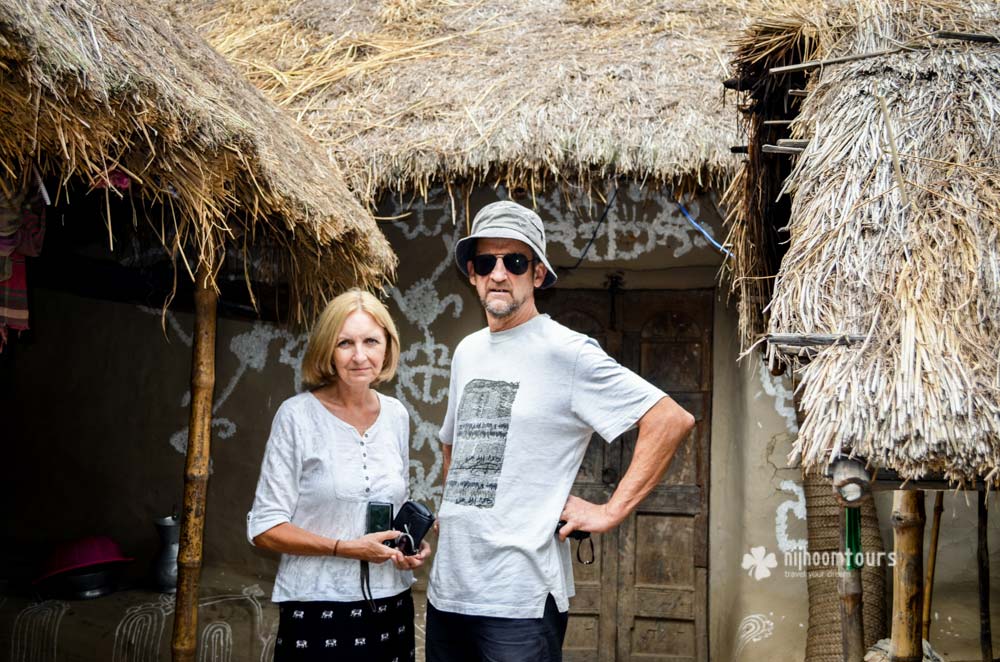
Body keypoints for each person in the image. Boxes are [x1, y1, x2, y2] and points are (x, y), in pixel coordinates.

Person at [425, 201, 696, 662]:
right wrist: (457, 510)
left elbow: (669, 419)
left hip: (520, 599)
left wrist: (611, 511)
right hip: (449, 592)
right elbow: (453, 441)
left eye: (514, 261)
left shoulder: (568, 352)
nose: (498, 274)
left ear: (537, 274)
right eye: (486, 262)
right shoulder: (468, 351)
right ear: (472, 273)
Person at [247, 289, 430, 662]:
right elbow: (265, 528)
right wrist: (345, 548)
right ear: (327, 350)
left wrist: (406, 546)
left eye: (371, 341)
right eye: (345, 343)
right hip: (317, 608)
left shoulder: (396, 415)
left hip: (391, 605)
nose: (360, 356)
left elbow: (394, 500)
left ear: (388, 346)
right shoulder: (297, 416)